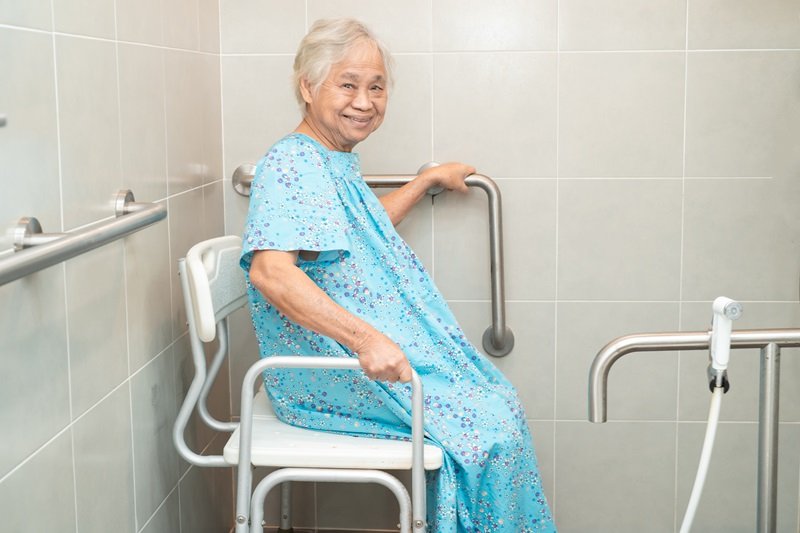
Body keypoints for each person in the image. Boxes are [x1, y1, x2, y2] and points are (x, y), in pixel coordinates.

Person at [240, 18, 556, 532]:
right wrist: (367, 340)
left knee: (497, 404)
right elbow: (271, 272)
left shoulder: (328, 158)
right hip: (321, 374)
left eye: (377, 87)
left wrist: (423, 182)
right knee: (489, 431)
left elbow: (359, 229)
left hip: (348, 358)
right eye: (347, 85)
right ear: (308, 87)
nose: (364, 102)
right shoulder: (292, 164)